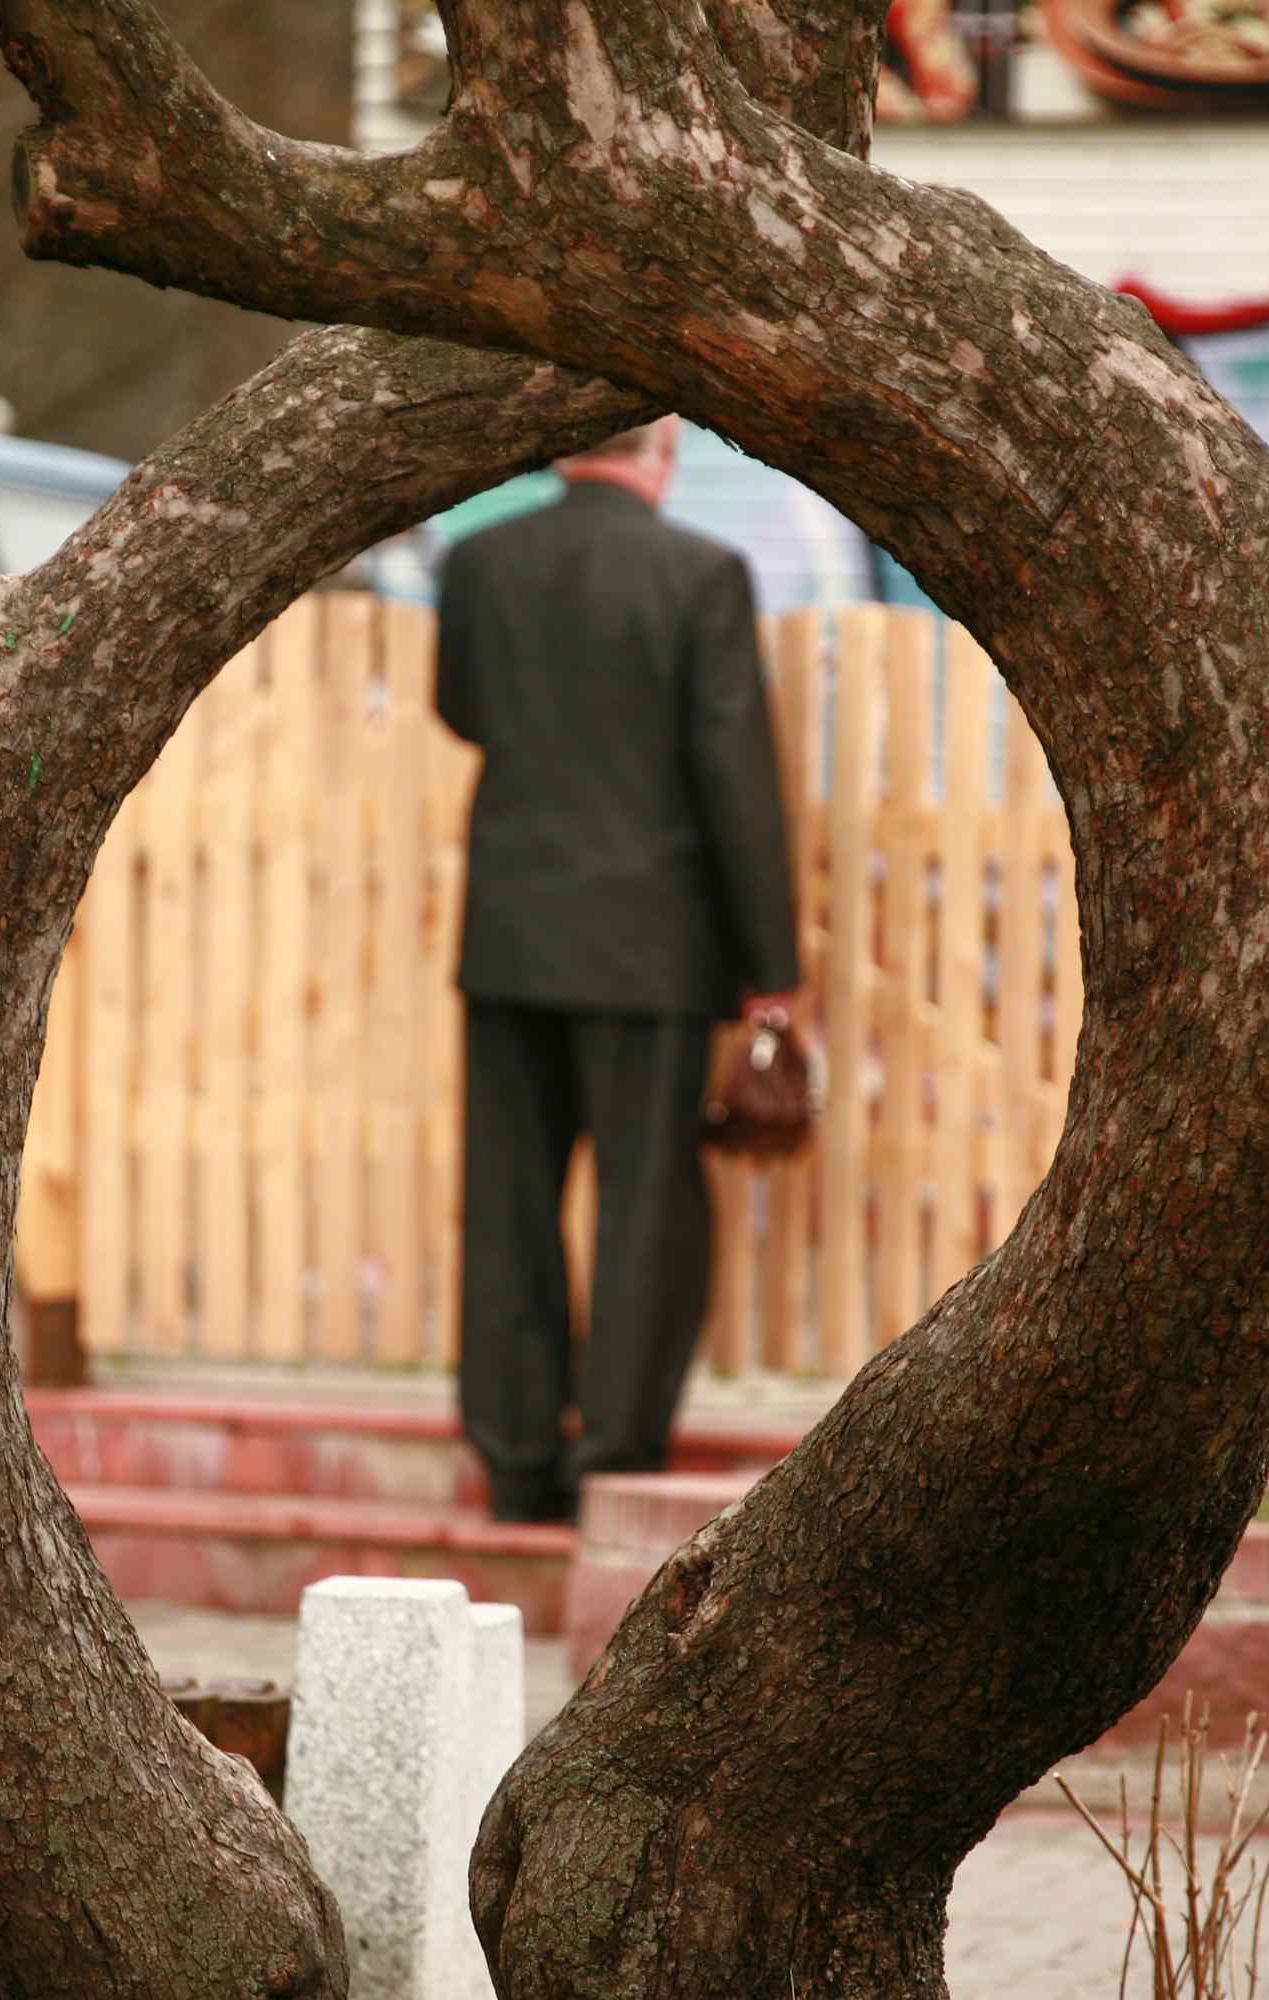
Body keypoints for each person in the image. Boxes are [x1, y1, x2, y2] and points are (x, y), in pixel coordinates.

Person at [433, 419, 803, 1525]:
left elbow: (461, 710)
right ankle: (613, 1451)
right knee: (647, 1200)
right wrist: (771, 968)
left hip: (508, 936)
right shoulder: (701, 575)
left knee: (508, 1204)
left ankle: (513, 1458)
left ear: (559, 448)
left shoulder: (478, 564)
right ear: (662, 456)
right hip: (654, 944)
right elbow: (734, 773)